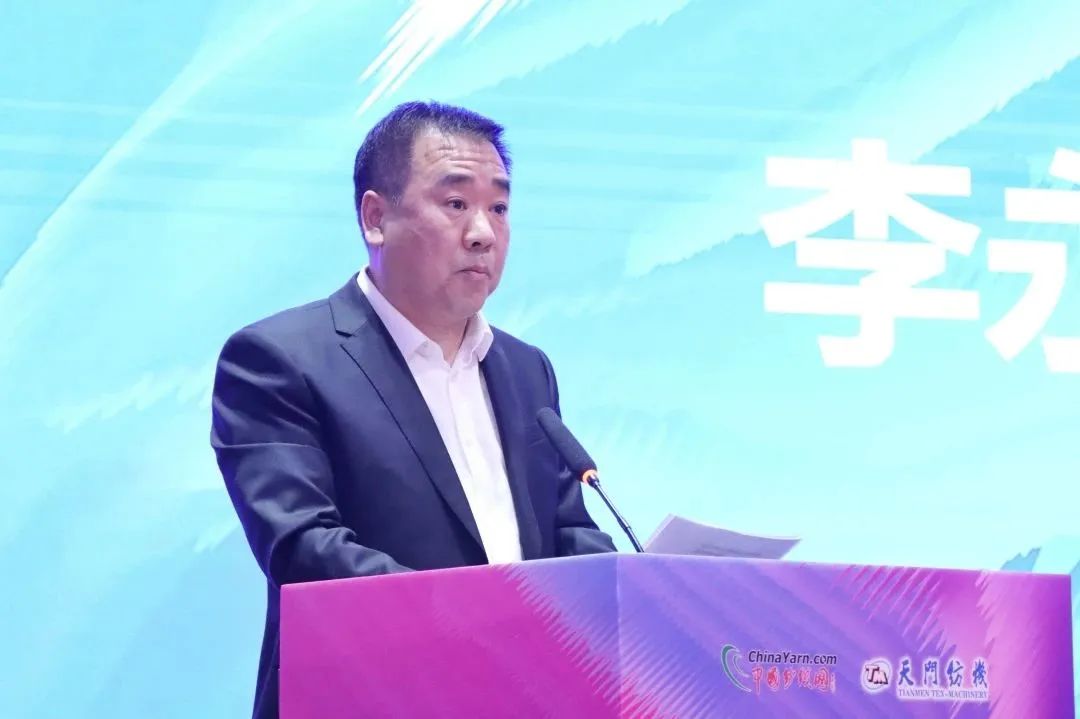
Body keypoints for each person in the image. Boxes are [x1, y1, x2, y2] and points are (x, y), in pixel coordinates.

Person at [211, 101, 616, 719]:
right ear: (376, 218)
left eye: (499, 208)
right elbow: (305, 549)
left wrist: (626, 592)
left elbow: (567, 529)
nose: (483, 232)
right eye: (455, 203)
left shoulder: (525, 369)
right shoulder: (279, 360)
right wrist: (487, 625)